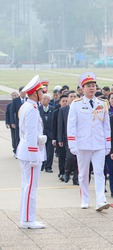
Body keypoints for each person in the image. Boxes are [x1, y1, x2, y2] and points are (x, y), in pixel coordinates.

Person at [67, 72, 111, 211]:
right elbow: (71, 125)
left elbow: (106, 126)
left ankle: (101, 200)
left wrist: (107, 143)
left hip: (98, 144)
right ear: (82, 88)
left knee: (99, 172)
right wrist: (72, 144)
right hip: (82, 144)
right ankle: (85, 199)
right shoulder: (76, 104)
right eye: (88, 86)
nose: (92, 88)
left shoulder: (102, 104)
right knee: (83, 173)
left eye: (93, 86)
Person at [16, 75, 47, 229]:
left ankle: (25, 218)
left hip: (26, 151)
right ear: (35, 93)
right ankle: (28, 220)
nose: (44, 94)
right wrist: (35, 156)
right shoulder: (32, 109)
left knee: (26, 186)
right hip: (30, 153)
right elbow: (30, 134)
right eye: (41, 92)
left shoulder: (27, 106)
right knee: (30, 188)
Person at [59, 91, 79, 185]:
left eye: (75, 96)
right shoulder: (64, 110)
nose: (73, 98)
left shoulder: (80, 108)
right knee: (70, 157)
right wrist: (60, 139)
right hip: (68, 138)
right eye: (71, 96)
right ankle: (67, 171)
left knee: (78, 159)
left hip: (79, 138)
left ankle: (76, 178)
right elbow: (60, 125)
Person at [52, 94, 68, 181]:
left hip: (68, 138)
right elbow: (54, 127)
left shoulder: (70, 110)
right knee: (62, 156)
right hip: (60, 138)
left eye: (66, 101)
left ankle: (68, 172)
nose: (65, 103)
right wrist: (54, 138)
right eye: (63, 101)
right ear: (60, 102)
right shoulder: (56, 112)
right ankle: (62, 172)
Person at [38, 93, 55, 173]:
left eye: (45, 99)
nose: (43, 100)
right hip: (41, 133)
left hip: (50, 133)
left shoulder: (53, 109)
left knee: (50, 151)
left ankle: (48, 166)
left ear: (48, 100)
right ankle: (42, 164)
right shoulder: (38, 109)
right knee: (41, 149)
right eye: (42, 99)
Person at [11, 86, 27, 156]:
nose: (23, 93)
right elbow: (12, 112)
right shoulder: (15, 101)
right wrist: (12, 122)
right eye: (22, 92)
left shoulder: (28, 100)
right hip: (18, 122)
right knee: (18, 137)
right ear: (19, 92)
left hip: (27, 123)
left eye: (24, 92)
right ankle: (18, 152)